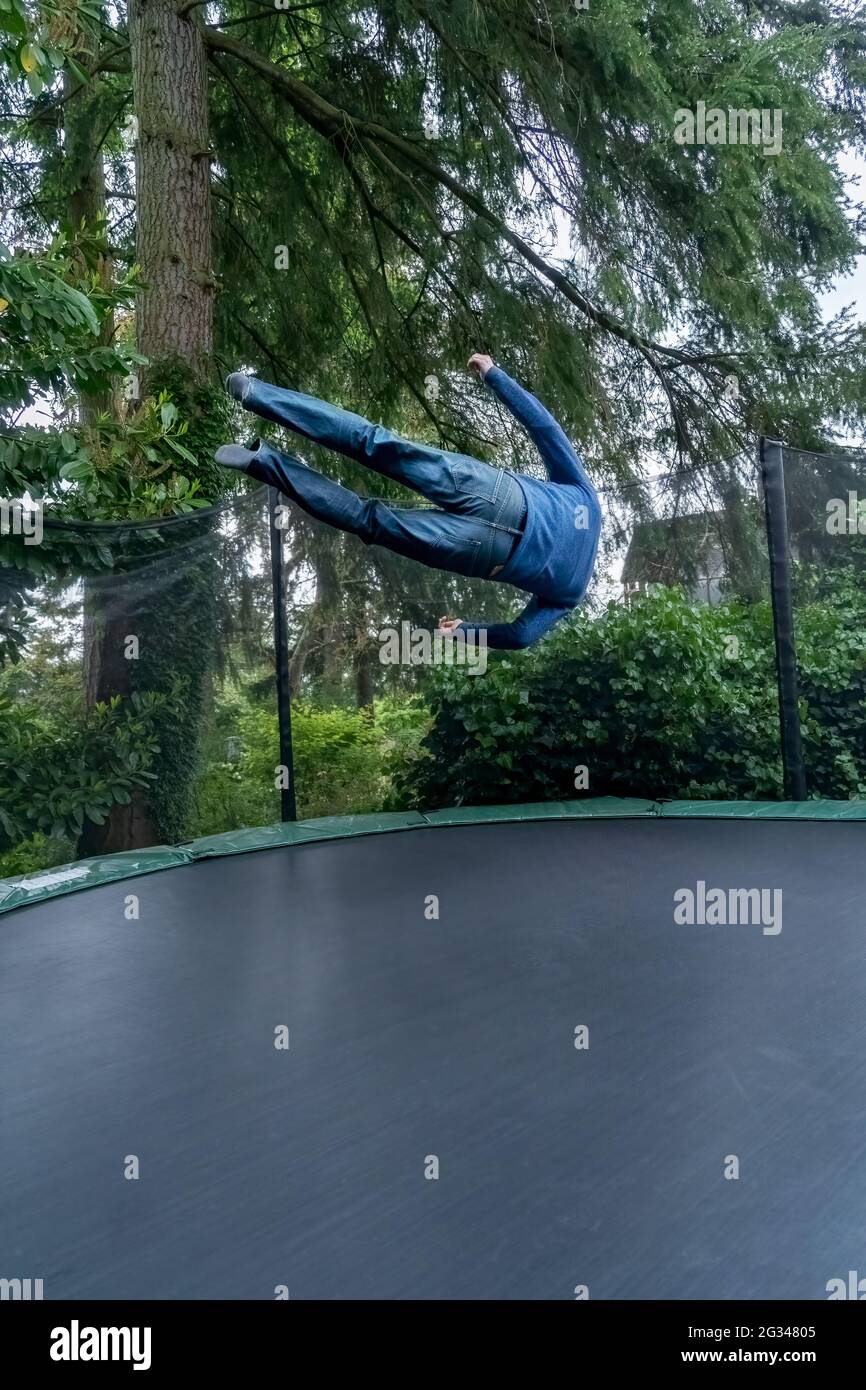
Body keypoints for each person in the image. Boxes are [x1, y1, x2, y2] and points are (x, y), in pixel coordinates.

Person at [215, 353, 601, 650]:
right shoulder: (569, 595)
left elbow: (546, 430)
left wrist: (495, 375)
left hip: (499, 493)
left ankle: (255, 393)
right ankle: (261, 460)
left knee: (375, 443)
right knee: (368, 520)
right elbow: (521, 636)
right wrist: (465, 633)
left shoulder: (589, 501)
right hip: (484, 553)